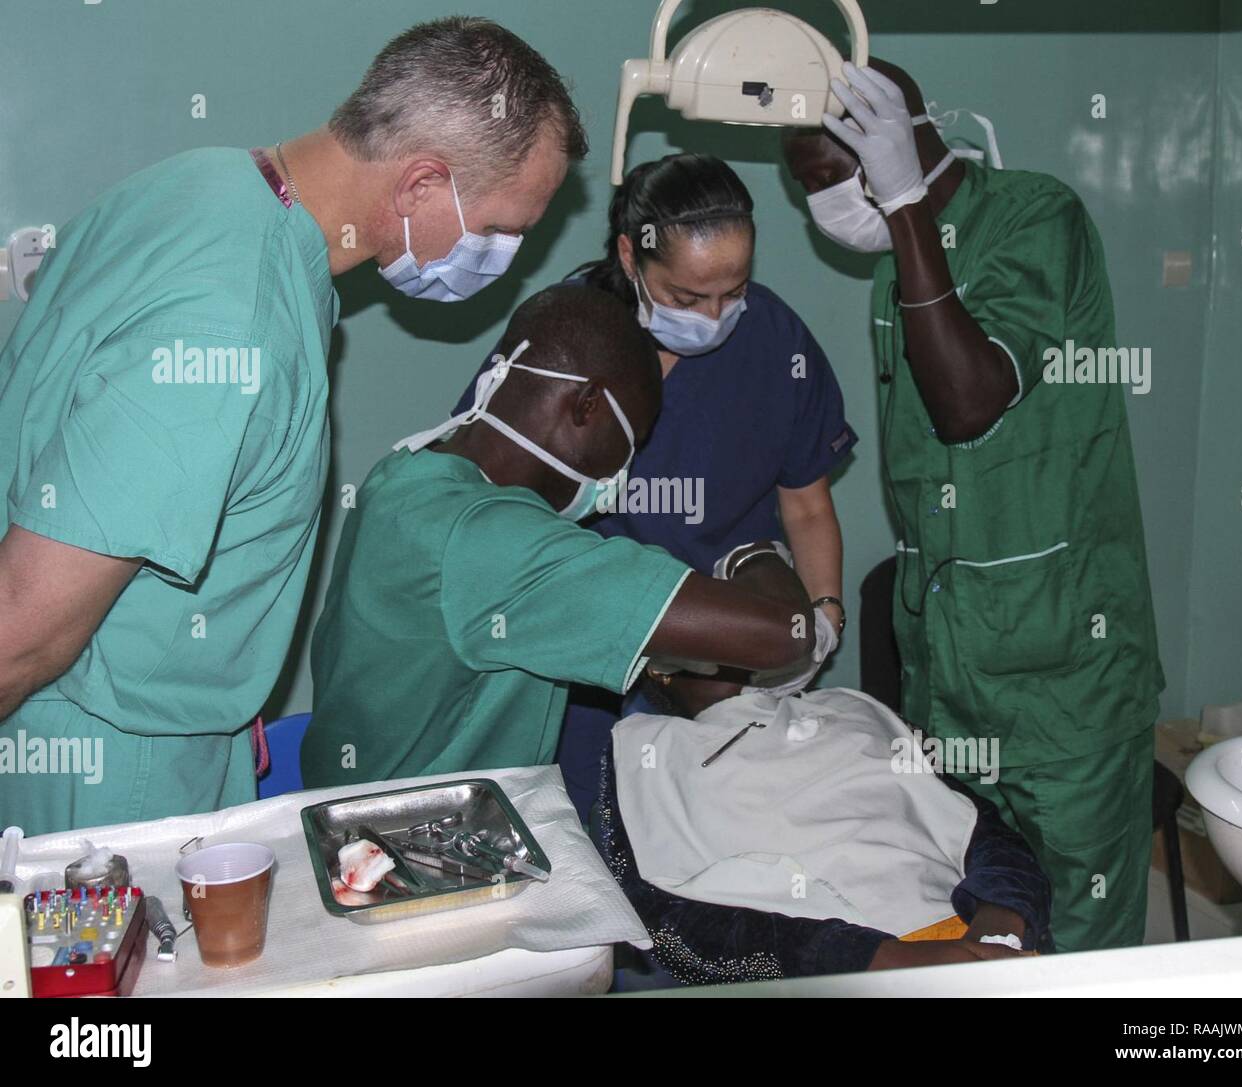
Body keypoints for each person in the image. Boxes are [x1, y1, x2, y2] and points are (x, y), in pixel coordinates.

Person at [0, 18, 586, 836]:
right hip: (110, 781)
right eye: (501, 229)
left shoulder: (203, 183)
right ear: (421, 184)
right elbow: (22, 628)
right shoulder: (232, 325)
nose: (506, 258)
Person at [782, 57, 1164, 953]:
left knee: (1080, 948)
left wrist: (908, 204)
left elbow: (968, 400)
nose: (828, 205)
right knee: (990, 939)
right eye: (808, 189)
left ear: (904, 142)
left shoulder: (1037, 216)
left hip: (1067, 679)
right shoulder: (897, 274)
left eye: (838, 177)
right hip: (953, 683)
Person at [452, 153, 857, 821]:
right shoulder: (570, 342)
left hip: (729, 641)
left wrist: (824, 616)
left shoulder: (776, 342)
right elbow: (492, 495)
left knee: (727, 828)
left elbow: (808, 505)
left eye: (734, 291)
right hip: (586, 654)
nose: (716, 314)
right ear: (631, 256)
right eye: (689, 297)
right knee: (592, 830)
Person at [301, 285, 815, 787]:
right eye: (630, 443)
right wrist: (755, 552)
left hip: (350, 812)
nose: (623, 475)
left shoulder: (405, 476)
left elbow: (695, 684)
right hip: (416, 847)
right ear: (587, 405)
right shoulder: (497, 543)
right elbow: (784, 633)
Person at [592, 661, 1053, 986]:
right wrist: (872, 959)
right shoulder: (646, 751)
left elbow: (984, 830)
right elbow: (668, 922)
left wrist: (1002, 918)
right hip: (837, 965)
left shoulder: (849, 707)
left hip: (974, 934)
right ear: (660, 669)